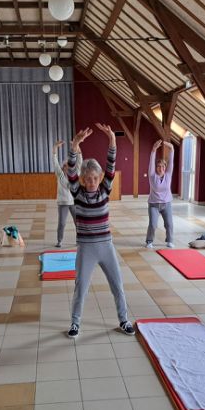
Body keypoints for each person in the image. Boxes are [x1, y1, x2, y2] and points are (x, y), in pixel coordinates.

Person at [66, 124, 134, 339]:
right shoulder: (77, 193)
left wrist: (112, 140)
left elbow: (111, 165)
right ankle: (75, 323)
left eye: (95, 178)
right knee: (81, 288)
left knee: (117, 285)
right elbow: (71, 170)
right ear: (83, 179)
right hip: (86, 249)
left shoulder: (105, 190)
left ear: (99, 177)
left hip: (106, 247)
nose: (92, 182)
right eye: (88, 179)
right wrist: (75, 145)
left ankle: (124, 320)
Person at [145, 139, 175, 249]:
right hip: (154, 204)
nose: (161, 168)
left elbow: (171, 161)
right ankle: (149, 241)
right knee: (153, 224)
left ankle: (170, 240)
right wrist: (154, 149)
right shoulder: (152, 175)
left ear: (165, 167)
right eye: (158, 166)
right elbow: (151, 161)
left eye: (163, 166)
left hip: (166, 204)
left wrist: (171, 148)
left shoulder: (168, 175)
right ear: (156, 167)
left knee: (169, 224)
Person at [52, 140, 82, 248]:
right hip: (63, 203)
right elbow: (55, 162)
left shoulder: (75, 174)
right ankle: (59, 241)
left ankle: (79, 240)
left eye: (69, 165)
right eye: (65, 165)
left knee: (78, 222)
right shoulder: (60, 175)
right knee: (62, 223)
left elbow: (79, 162)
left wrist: (77, 146)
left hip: (74, 202)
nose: (67, 167)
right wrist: (55, 148)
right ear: (63, 167)